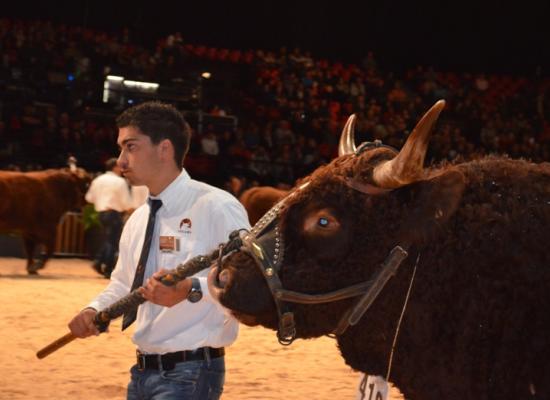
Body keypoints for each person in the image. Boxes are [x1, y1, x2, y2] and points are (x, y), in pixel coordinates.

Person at [68, 101, 250, 400]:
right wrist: (93, 310)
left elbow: (246, 282)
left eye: (131, 147)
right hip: (142, 372)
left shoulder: (217, 206)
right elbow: (124, 284)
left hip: (191, 372)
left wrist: (191, 288)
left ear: (164, 149)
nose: (121, 160)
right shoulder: (139, 217)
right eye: (121, 148)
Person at [85, 157, 132, 278]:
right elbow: (126, 202)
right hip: (113, 213)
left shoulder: (98, 180)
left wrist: (100, 202)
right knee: (113, 241)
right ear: (115, 167)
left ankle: (99, 262)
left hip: (101, 213)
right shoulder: (119, 181)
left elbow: (89, 198)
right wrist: (128, 209)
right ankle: (106, 267)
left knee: (109, 240)